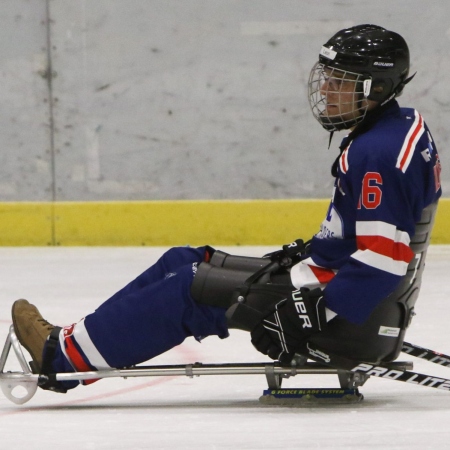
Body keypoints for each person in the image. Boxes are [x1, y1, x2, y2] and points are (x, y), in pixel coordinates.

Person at [12, 24, 442, 393]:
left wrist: (318, 311)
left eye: (341, 80)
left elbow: (385, 259)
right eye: (327, 77)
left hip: (346, 318)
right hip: (347, 296)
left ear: (377, 88)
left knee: (189, 287)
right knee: (187, 259)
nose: (327, 89)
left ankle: (61, 358)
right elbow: (370, 236)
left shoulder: (378, 154)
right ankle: (73, 340)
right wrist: (314, 255)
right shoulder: (397, 128)